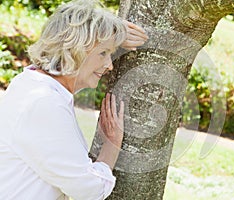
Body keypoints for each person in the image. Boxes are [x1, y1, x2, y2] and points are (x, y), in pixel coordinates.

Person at [0, 0, 148, 199]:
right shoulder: (44, 104)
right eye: (103, 53)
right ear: (74, 50)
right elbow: (89, 190)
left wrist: (110, 32)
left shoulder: (30, 83)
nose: (109, 65)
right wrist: (111, 145)